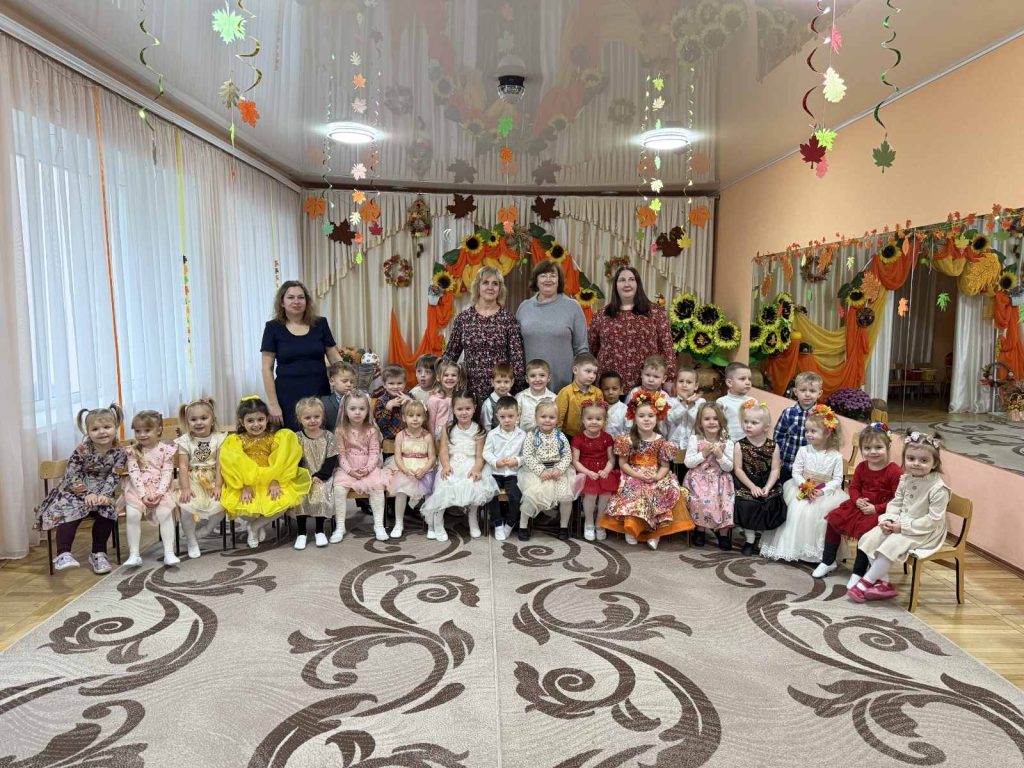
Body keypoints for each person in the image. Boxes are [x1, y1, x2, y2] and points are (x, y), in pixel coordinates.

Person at [848, 432, 949, 604]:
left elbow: (933, 521)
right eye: (911, 458)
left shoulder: (938, 489)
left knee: (890, 545)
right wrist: (887, 519)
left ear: (934, 463)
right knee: (869, 538)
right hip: (900, 522)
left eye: (924, 460)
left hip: (925, 531)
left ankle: (864, 583)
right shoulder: (905, 479)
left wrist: (903, 526)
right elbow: (896, 503)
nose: (916, 463)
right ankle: (884, 582)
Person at [37, 404, 127, 574]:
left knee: (108, 511)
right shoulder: (82, 450)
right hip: (74, 490)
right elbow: (71, 475)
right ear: (88, 432)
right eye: (95, 429)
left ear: (115, 427)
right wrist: (86, 494)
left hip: (102, 490)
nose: (102, 432)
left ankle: (98, 553)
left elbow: (115, 475)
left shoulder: (120, 452)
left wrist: (104, 495)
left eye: (107, 427)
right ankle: (63, 554)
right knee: (69, 510)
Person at [599, 391, 691, 550]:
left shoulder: (661, 441)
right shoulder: (627, 439)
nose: (646, 419)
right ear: (634, 417)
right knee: (636, 491)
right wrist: (638, 475)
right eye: (641, 416)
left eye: (651, 416)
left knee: (664, 490)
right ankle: (632, 527)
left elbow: (665, 466)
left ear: (657, 418)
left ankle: (655, 533)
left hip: (655, 473)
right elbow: (623, 463)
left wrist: (657, 477)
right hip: (633, 472)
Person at [220, 396, 311, 549]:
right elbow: (232, 465)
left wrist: (276, 481)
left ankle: (255, 526)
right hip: (247, 482)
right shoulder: (236, 440)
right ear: (242, 422)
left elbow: (282, 462)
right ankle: (257, 524)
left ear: (267, 419)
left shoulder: (275, 438)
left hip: (270, 481)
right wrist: (244, 485)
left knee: (283, 503)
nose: (256, 424)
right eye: (250, 421)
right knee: (243, 506)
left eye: (260, 419)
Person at [759, 405, 847, 562]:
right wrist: (804, 486)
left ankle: (816, 554)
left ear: (827, 433)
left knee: (820, 520)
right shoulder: (804, 450)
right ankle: (792, 549)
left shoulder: (836, 456)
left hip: (824, 493)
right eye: (807, 430)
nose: (808, 434)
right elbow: (796, 472)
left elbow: (837, 479)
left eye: (813, 431)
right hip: (801, 487)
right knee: (795, 513)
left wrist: (823, 491)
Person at [815, 422, 902, 581]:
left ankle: (859, 571)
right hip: (859, 506)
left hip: (881, 511)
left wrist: (876, 508)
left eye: (878, 447)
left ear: (888, 447)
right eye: (867, 448)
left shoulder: (895, 471)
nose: (872, 452)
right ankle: (828, 561)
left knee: (865, 531)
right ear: (861, 450)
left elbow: (898, 499)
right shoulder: (862, 467)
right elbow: (854, 487)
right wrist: (857, 500)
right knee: (834, 518)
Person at [261, 280, 342, 431]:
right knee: (292, 439)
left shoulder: (320, 323)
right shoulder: (272, 328)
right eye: (291, 297)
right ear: (282, 302)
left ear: (307, 301)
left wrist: (348, 382)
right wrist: (273, 405)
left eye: (301, 297)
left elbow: (335, 358)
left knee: (320, 436)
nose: (296, 301)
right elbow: (266, 369)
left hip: (319, 392)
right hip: (287, 396)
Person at [422, 390, 497, 542]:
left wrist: (476, 469)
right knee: (445, 484)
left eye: (467, 408)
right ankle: (438, 521)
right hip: (452, 463)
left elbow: (480, 456)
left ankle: (472, 518)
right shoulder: (448, 428)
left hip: (471, 464)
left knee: (475, 485)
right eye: (460, 409)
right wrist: (445, 466)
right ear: (453, 410)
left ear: (474, 408)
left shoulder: (479, 430)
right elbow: (443, 450)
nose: (464, 412)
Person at [442, 266, 526, 404]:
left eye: (495, 283)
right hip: (470, 394)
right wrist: (441, 385)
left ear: (500, 289)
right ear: (477, 286)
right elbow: (450, 356)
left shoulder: (508, 319)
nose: (490, 287)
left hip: (501, 393)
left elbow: (517, 361)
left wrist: (517, 393)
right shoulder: (464, 318)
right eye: (485, 282)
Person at [588, 266, 675, 391]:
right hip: (609, 388)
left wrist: (669, 378)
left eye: (631, 279)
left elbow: (667, 348)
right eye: (622, 280)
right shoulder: (601, 315)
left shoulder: (655, 313)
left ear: (638, 284)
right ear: (615, 285)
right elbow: (592, 349)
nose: (627, 284)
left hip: (646, 386)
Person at [515, 260, 589, 392]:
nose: (548, 279)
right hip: (530, 388)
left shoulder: (573, 307)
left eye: (553, 275)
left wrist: (580, 384)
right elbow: (517, 348)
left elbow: (581, 349)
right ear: (536, 280)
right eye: (543, 275)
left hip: (565, 388)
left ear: (559, 280)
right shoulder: (524, 307)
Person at [123, 410, 179, 567]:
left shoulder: (166, 450)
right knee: (132, 515)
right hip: (137, 489)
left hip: (161, 488)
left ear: (158, 430)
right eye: (137, 431)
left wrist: (159, 493)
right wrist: (143, 495)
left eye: (147, 430)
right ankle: (134, 554)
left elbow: (167, 472)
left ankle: (169, 553)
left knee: (164, 514)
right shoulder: (133, 451)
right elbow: (134, 473)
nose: (142, 435)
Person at [517, 398, 577, 541]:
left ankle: (563, 527)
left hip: (557, 472)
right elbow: (528, 455)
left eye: (551, 417)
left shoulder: (560, 436)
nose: (547, 420)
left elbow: (567, 455)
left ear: (557, 419)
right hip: (536, 472)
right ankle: (523, 525)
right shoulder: (532, 435)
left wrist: (559, 469)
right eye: (543, 416)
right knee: (531, 495)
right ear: (536, 418)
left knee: (566, 497)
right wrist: (541, 471)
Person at [332, 390, 388, 541]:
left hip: (368, 466)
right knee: (339, 488)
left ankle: (379, 525)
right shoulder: (340, 430)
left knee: (377, 487)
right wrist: (349, 470)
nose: (357, 412)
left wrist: (368, 468)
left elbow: (374, 452)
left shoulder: (371, 430)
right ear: (345, 410)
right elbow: (341, 454)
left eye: (362, 409)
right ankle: (340, 526)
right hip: (347, 467)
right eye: (353, 408)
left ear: (367, 411)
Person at [732, 400, 784, 556]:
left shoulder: (773, 446)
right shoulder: (740, 445)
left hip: (767, 483)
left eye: (754, 423)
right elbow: (738, 469)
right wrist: (752, 487)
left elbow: (775, 469)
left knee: (770, 504)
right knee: (747, 505)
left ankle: (761, 537)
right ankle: (749, 539)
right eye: (746, 422)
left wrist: (767, 487)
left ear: (765, 427)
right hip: (746, 483)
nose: (748, 425)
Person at [175, 398, 226, 559]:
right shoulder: (185, 441)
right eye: (193, 419)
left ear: (212, 420)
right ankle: (191, 540)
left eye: (204, 418)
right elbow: (183, 466)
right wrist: (185, 488)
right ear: (187, 422)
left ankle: (207, 530)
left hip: (213, 479)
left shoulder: (219, 438)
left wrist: (218, 486)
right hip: (192, 480)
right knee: (186, 506)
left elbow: (220, 465)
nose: (199, 422)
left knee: (223, 504)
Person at [682, 403, 736, 549]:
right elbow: (688, 463)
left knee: (726, 502)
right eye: (707, 419)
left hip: (721, 479)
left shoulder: (727, 442)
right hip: (699, 479)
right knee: (701, 501)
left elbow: (729, 467)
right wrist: (703, 453)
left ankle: (723, 533)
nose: (712, 422)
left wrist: (720, 455)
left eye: (715, 418)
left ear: (721, 421)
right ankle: (700, 530)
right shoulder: (695, 439)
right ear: (700, 422)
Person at [384, 399, 436, 539]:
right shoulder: (401, 435)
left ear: (424, 418)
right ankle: (398, 523)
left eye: (418, 415)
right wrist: (405, 470)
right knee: (401, 491)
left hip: (423, 469)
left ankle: (431, 524)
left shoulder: (427, 436)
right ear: (404, 418)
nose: (415, 419)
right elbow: (397, 457)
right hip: (405, 469)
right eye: (411, 415)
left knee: (429, 492)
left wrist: (424, 470)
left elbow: (432, 458)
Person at [292, 398, 338, 550]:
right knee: (300, 497)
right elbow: (295, 460)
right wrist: (304, 476)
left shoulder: (329, 437)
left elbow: (331, 460)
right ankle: (301, 533)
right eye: (307, 417)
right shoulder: (297, 437)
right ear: (300, 419)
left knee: (321, 493)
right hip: (302, 475)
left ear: (322, 417)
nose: (312, 420)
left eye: (316, 417)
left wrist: (320, 476)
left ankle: (319, 530)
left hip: (323, 476)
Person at [571, 399, 618, 542]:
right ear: (583, 420)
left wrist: (606, 470)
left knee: (606, 494)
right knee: (590, 495)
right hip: (585, 471)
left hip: (603, 470)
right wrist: (588, 472)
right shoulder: (578, 438)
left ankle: (600, 522)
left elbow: (611, 459)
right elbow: (575, 461)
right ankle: (589, 522)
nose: (594, 422)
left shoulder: (607, 438)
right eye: (589, 418)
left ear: (604, 421)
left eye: (598, 419)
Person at [483, 396, 526, 541]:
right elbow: (486, 453)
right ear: (497, 416)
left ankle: (510, 522)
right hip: (496, 472)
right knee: (492, 493)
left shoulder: (522, 435)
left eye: (510, 416)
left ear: (518, 415)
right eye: (502, 417)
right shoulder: (492, 434)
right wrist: (496, 462)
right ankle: (498, 523)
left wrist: (517, 460)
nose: (507, 420)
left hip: (513, 473)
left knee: (515, 495)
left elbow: (526, 455)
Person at [773, 371, 823, 484]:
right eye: (803, 390)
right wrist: (778, 457)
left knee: (806, 492)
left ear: (819, 393)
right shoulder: (788, 413)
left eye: (812, 391)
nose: (807, 394)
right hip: (788, 465)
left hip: (811, 468)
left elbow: (827, 440)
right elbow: (778, 436)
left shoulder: (822, 416)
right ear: (796, 392)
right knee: (786, 490)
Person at [666, 367, 705, 483]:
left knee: (689, 479)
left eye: (689, 382)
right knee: (674, 479)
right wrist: (685, 404)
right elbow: (671, 419)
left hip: (692, 449)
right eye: (681, 381)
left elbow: (699, 421)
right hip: (674, 447)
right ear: (675, 384)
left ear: (696, 386)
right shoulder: (670, 401)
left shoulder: (701, 402)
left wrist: (691, 404)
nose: (684, 385)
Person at [555, 352, 602, 439]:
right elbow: (558, 417)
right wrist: (557, 438)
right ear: (575, 370)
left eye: (595, 373)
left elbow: (601, 415)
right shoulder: (566, 392)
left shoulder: (598, 393)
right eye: (588, 371)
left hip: (591, 435)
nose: (592, 376)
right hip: (568, 436)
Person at [716, 362, 753, 442]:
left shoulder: (753, 401)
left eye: (749, 379)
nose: (748, 382)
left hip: (749, 442)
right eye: (742, 379)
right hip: (729, 442)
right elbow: (718, 424)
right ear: (729, 383)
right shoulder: (722, 402)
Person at [428, 360, 465, 440]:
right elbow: (431, 422)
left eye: (453, 375)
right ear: (438, 377)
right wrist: (432, 441)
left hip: (456, 434)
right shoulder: (434, 399)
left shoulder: (459, 397)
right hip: (439, 437)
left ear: (458, 378)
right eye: (446, 375)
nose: (450, 378)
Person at [516, 359, 556, 432]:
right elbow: (515, 421)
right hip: (523, 436)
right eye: (532, 376)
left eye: (542, 375)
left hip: (545, 437)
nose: (537, 379)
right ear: (527, 379)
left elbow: (556, 421)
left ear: (548, 378)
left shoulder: (553, 398)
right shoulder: (520, 397)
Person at [374, 364, 410, 442]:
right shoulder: (381, 401)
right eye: (391, 383)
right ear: (384, 385)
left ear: (405, 383)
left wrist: (411, 403)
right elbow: (380, 425)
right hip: (389, 439)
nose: (395, 387)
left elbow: (420, 415)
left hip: (409, 437)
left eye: (399, 383)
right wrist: (388, 408)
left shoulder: (409, 397)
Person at [321, 361, 356, 432]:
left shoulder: (358, 400)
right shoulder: (323, 402)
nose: (349, 384)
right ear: (332, 381)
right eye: (344, 381)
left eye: (351, 382)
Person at [480, 363, 515, 430]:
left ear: (512, 382)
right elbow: (486, 427)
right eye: (498, 382)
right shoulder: (488, 404)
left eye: (506, 382)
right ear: (492, 382)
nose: (502, 385)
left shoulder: (514, 400)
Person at [601, 371, 629, 438]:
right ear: (600, 390)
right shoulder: (596, 408)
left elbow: (628, 431)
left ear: (621, 390)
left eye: (614, 389)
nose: (610, 392)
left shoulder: (626, 410)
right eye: (606, 389)